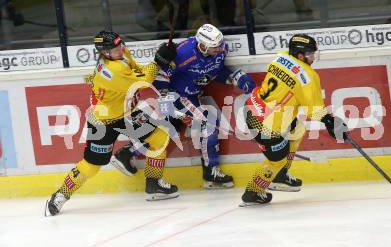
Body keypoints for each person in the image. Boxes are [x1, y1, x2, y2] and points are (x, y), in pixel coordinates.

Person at [44, 30, 178, 216]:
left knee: (159, 138)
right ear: (104, 52)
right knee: (92, 166)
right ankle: (60, 195)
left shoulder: (120, 55)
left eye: (120, 44)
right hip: (102, 121)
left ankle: (153, 183)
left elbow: (138, 70)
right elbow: (143, 81)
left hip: (126, 114)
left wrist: (160, 60)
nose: (120, 49)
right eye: (115, 48)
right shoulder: (111, 71)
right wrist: (158, 61)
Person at [113, 23, 256, 189]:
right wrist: (167, 97)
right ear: (202, 46)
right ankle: (210, 173)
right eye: (214, 47)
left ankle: (127, 152)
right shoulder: (184, 53)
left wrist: (234, 77)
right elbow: (160, 75)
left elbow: (214, 70)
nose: (219, 49)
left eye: (220, 45)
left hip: (192, 96)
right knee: (207, 125)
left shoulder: (220, 50)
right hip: (177, 96)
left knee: (168, 132)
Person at [240, 34, 348, 206]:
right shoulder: (308, 77)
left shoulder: (281, 56)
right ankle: (253, 192)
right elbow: (314, 109)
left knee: (297, 129)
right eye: (310, 54)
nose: (313, 57)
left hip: (253, 107)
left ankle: (281, 175)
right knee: (277, 160)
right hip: (265, 124)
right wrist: (330, 121)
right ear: (300, 55)